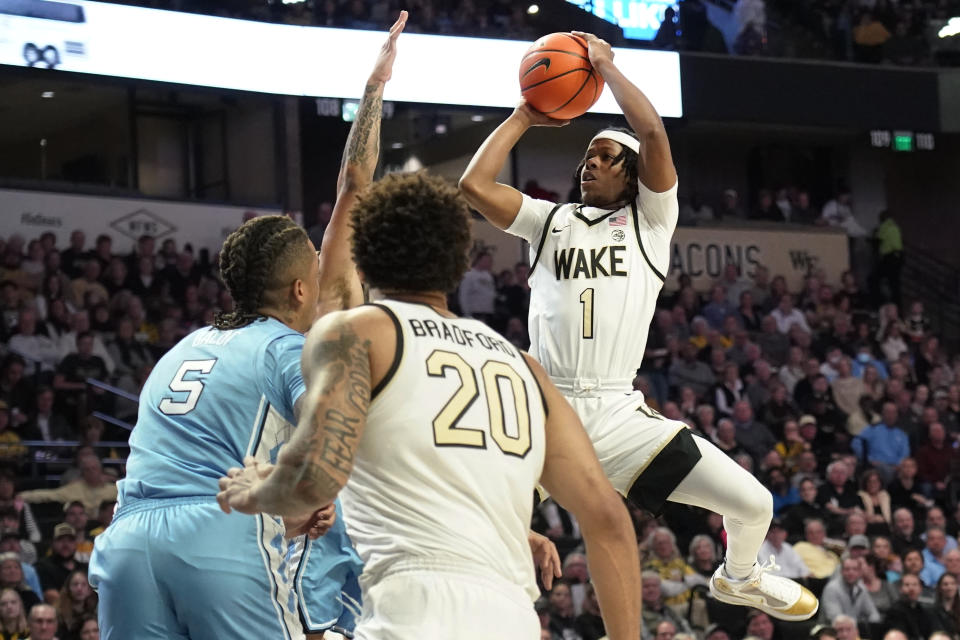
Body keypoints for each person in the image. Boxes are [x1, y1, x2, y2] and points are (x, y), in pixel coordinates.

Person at [458, 29, 816, 621]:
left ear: (630, 175)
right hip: (546, 410)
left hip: (620, 416)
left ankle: (741, 577)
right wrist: (525, 114)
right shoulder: (550, 221)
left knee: (754, 503)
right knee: (483, 538)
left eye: (603, 158)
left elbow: (651, 133)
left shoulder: (652, 224)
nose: (589, 165)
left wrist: (605, 68)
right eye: (585, 158)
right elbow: (475, 186)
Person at [216, 169, 642, 640]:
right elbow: (609, 521)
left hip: (412, 612)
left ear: (364, 256)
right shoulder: (525, 368)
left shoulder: (356, 332)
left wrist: (254, 491)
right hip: (514, 617)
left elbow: (317, 475)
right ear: (458, 258)